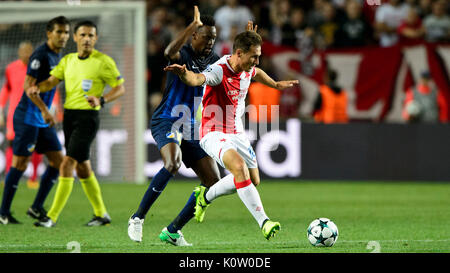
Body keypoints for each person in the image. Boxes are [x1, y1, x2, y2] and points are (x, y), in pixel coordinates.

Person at [164, 24, 299, 240]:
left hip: (237, 132)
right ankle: (264, 222)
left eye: (258, 56)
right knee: (239, 168)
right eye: (253, 57)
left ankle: (205, 196)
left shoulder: (246, 68)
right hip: (213, 131)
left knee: (252, 180)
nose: (256, 61)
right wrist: (184, 74)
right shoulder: (219, 70)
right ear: (239, 53)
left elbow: (256, 73)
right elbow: (198, 79)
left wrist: (275, 84)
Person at [127, 6, 222, 246]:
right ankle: (137, 217)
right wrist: (192, 24)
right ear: (194, 36)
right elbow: (169, 51)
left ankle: (173, 230)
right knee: (173, 164)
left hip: (190, 123)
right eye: (206, 36)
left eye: (213, 38)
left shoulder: (212, 60)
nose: (210, 42)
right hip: (167, 118)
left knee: (213, 181)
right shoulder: (184, 53)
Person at [31, 20, 125, 227]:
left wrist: (102, 100)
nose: (87, 39)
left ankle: (51, 217)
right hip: (70, 118)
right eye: (82, 35)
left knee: (67, 163)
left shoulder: (104, 61)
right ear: (75, 38)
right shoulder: (67, 60)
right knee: (83, 168)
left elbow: (120, 88)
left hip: (88, 118)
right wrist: (37, 87)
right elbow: (51, 82)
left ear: (96, 38)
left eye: (91, 36)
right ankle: (101, 214)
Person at [0, 16, 70, 225]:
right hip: (28, 116)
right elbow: (29, 88)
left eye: (66, 32)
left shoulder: (59, 55)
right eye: (59, 32)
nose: (63, 36)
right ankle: (3, 212)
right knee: (20, 163)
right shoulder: (40, 55)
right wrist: (46, 111)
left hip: (41, 117)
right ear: (49, 33)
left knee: (58, 161)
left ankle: (36, 206)